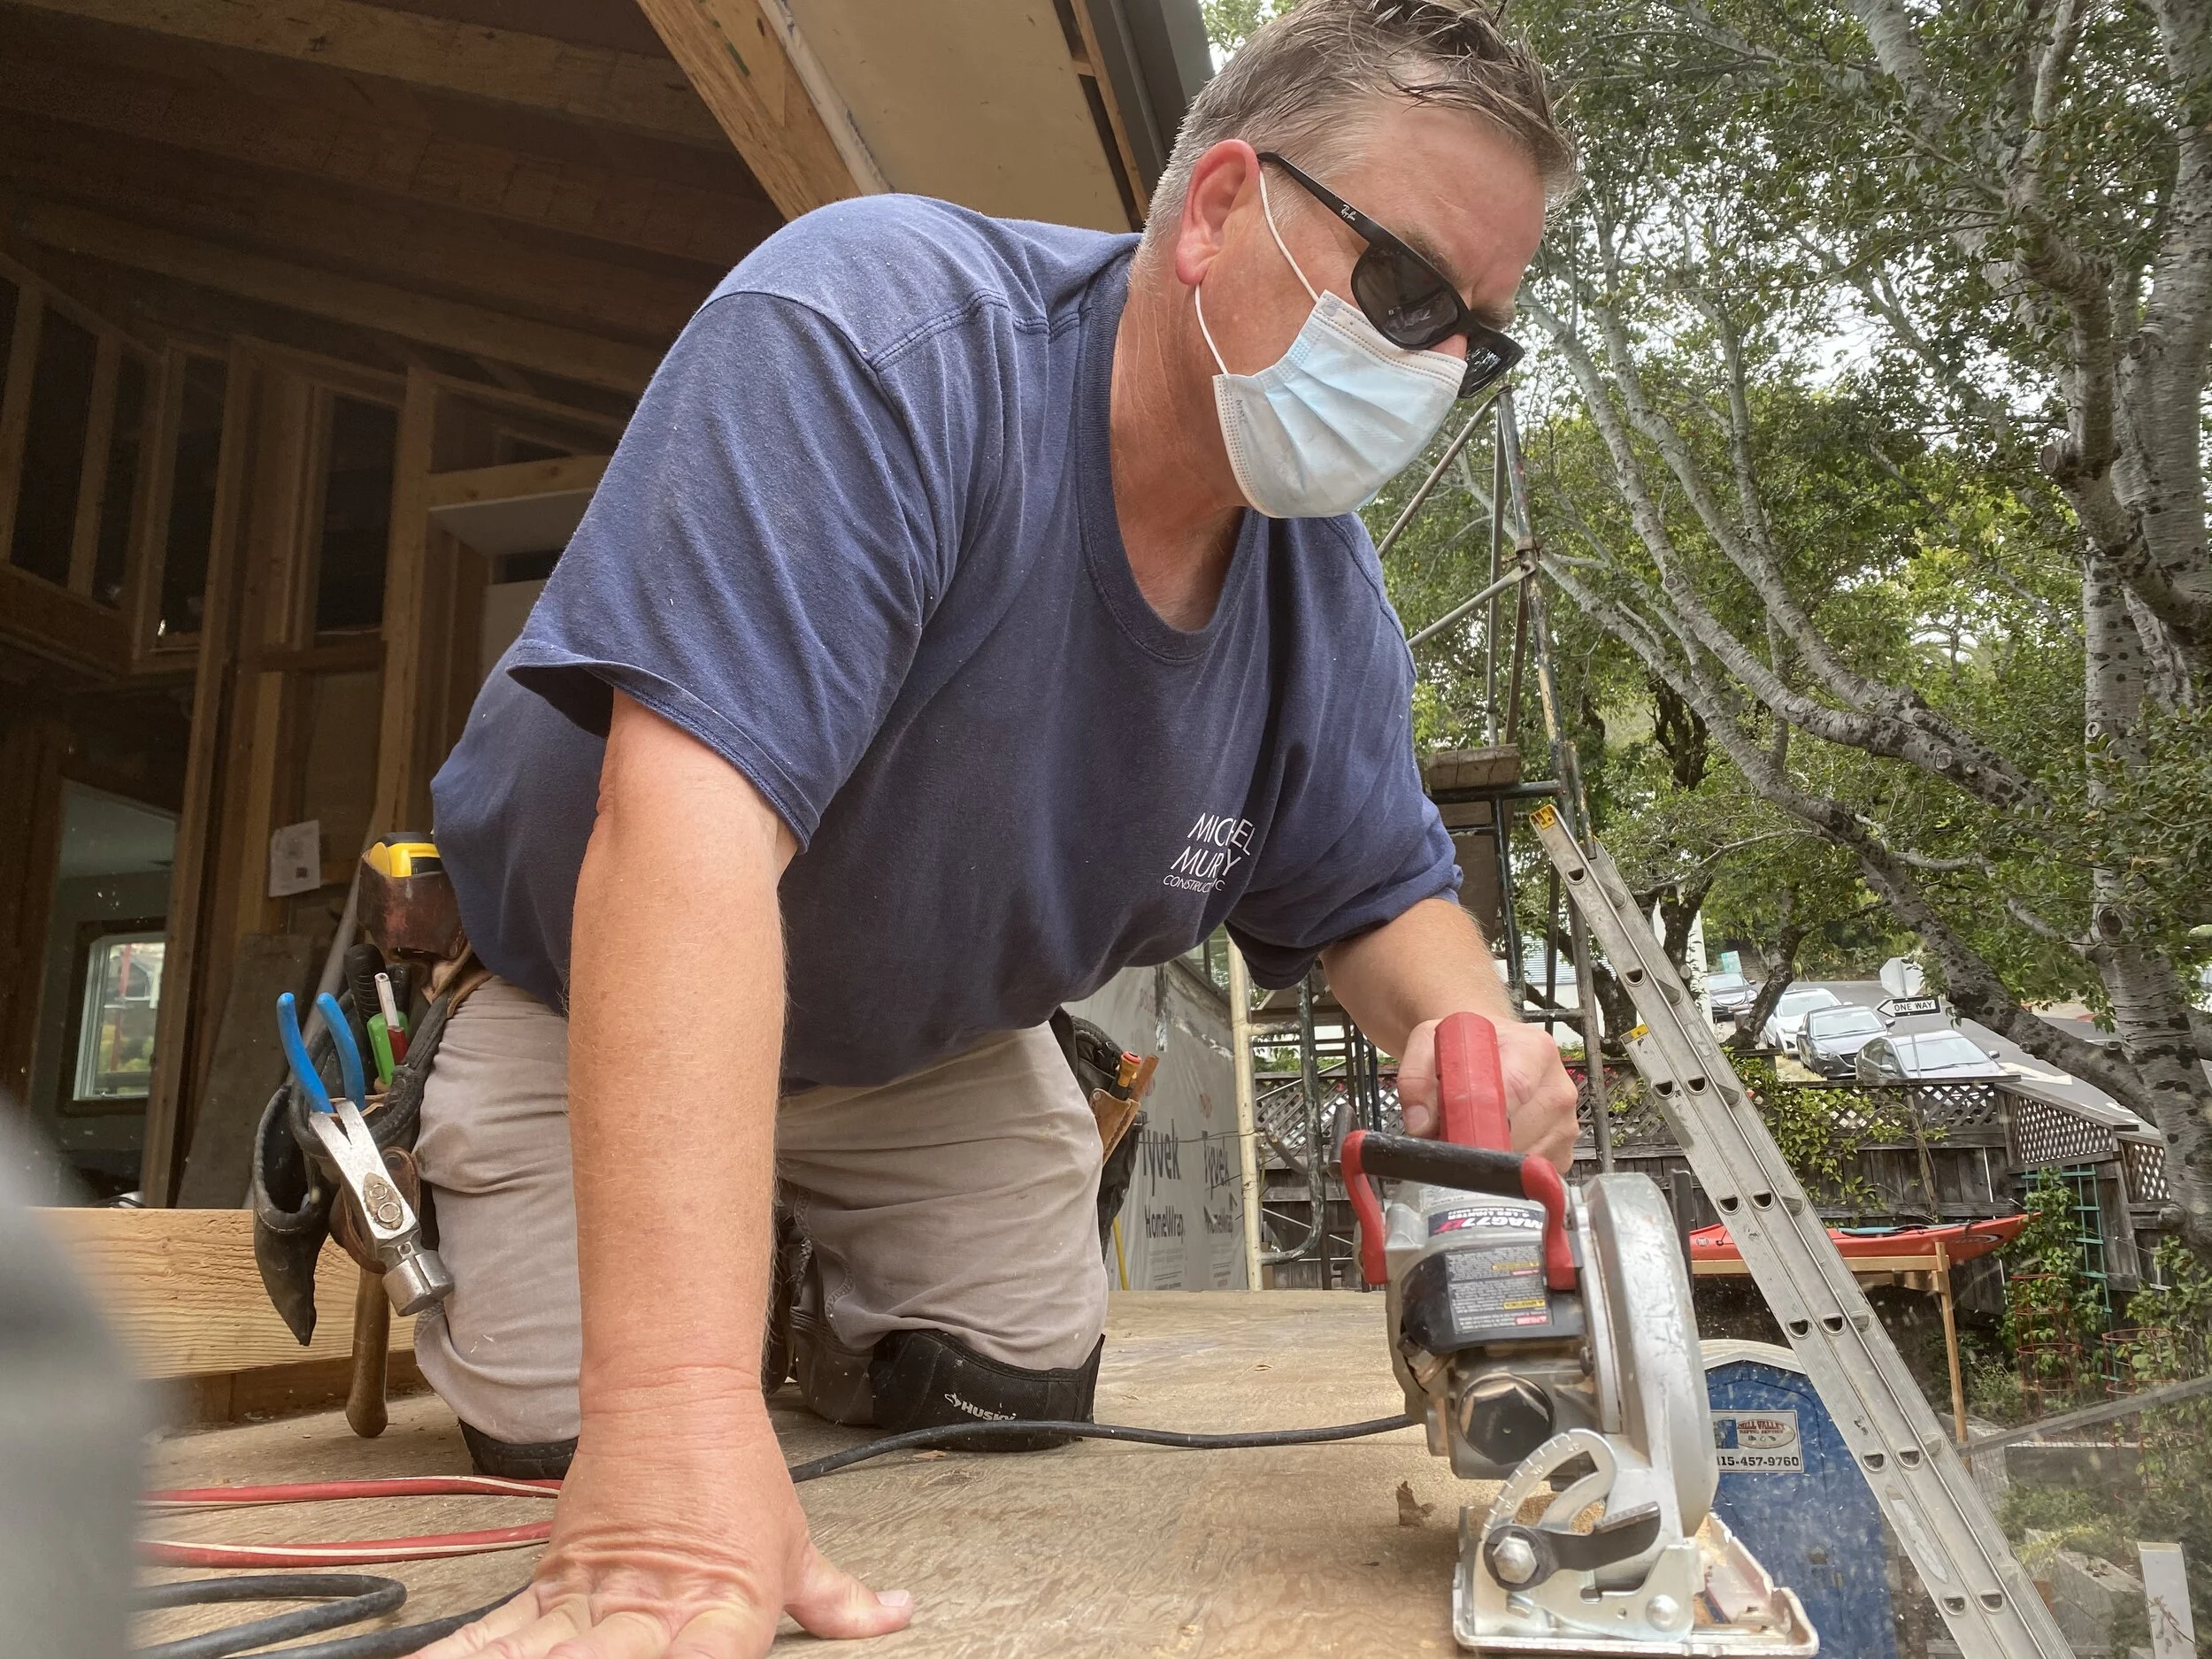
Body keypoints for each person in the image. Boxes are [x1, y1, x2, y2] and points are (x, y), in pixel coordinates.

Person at [415, 4, 1578, 1654]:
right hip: (581, 994)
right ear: (1221, 206)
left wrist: (1477, 1039)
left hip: (929, 1051)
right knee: (559, 1436)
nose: (1434, 366)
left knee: (1008, 1394)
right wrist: (670, 1417)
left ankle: (786, 1279)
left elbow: (1385, 896)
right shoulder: (880, 337)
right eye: (1403, 288)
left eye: (1476, 336)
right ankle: (531, 1183)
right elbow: (681, 841)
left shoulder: (1323, 601)